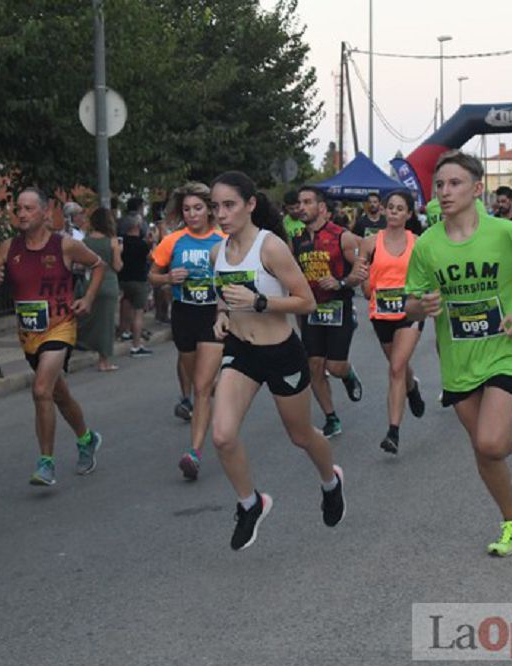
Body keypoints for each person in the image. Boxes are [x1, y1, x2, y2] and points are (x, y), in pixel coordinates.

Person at [405, 151, 512, 557]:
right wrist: (420, 307)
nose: (445, 191)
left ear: (477, 189)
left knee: (492, 441)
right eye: (440, 184)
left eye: (455, 183)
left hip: (505, 352)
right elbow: (408, 302)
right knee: (483, 448)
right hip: (459, 361)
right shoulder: (427, 245)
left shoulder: (504, 233)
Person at [209, 171, 345, 550]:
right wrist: (222, 316)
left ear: (250, 205)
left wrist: (260, 302)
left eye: (229, 205)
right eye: (216, 207)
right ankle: (250, 503)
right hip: (241, 350)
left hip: (280, 351)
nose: (221, 214)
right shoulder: (217, 252)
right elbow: (224, 298)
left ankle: (331, 481)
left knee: (300, 435)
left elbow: (307, 301)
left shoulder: (270, 247)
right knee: (222, 434)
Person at [0, 187, 106, 484]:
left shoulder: (63, 245)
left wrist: (88, 299)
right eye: (19, 209)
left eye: (28, 209)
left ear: (45, 212)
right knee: (58, 394)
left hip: (60, 326)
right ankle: (87, 439)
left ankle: (46, 463)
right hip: (29, 334)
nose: (22, 215)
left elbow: (99, 265)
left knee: (41, 390)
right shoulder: (8, 248)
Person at [149, 182, 225, 480]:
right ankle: (220, 392)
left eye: (198, 208)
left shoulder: (222, 240)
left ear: (208, 210)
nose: (192, 214)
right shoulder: (173, 241)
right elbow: (151, 276)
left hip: (212, 316)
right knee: (199, 381)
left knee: (201, 387)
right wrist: (168, 276)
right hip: (184, 315)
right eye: (186, 209)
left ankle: (194, 452)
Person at [292, 186, 368, 438]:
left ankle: (347, 373)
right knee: (314, 365)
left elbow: (360, 271)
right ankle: (331, 417)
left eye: (307, 202)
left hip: (339, 306)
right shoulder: (297, 240)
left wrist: (341, 282)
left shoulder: (342, 237)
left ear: (322, 208)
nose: (301, 207)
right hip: (311, 310)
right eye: (299, 203)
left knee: (333, 367)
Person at [361, 189, 426, 454]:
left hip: (410, 311)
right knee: (398, 366)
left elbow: (426, 277)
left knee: (396, 367)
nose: (394, 212)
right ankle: (412, 387)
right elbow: (364, 283)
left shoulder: (419, 243)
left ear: (409, 214)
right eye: (391, 207)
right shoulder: (370, 243)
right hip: (381, 313)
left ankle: (393, 432)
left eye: (400, 208)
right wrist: (364, 281)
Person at [76, 207, 123, 372]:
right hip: (109, 283)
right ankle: (104, 361)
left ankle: (83, 343)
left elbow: (80, 265)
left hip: (91, 284)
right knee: (107, 324)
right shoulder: (113, 241)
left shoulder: (85, 242)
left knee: (90, 320)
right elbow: (117, 266)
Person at [117, 213, 154, 358]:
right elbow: (151, 258)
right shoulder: (141, 244)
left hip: (124, 279)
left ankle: (124, 331)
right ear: (137, 227)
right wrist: (151, 243)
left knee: (126, 302)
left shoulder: (121, 243)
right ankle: (136, 345)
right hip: (139, 280)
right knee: (138, 313)